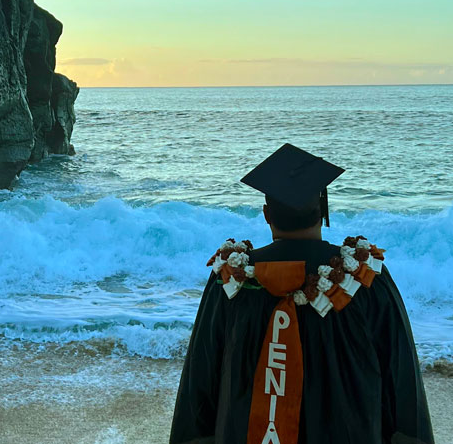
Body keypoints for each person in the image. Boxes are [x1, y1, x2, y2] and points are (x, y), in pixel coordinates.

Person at [170, 144, 434, 444]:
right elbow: (400, 375)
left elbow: (201, 378)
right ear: (323, 210)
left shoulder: (233, 280)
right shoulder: (362, 278)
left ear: (267, 214)